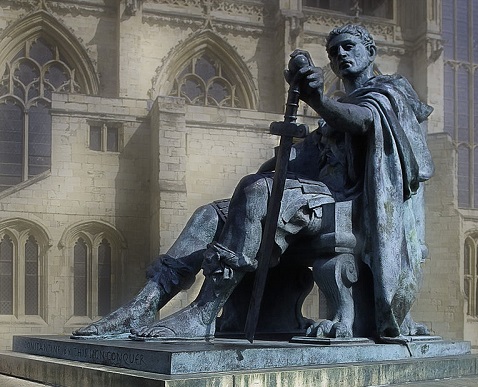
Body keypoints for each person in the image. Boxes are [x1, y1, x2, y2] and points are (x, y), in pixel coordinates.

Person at [72, 24, 433, 341]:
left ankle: (203, 312)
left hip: (350, 205)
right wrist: (286, 152)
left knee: (255, 189)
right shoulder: (333, 110)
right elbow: (303, 161)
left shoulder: (389, 92)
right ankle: (143, 304)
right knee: (209, 215)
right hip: (318, 197)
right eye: (333, 50)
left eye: (348, 46)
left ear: (370, 52)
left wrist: (319, 102)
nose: (340, 54)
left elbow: (361, 121)